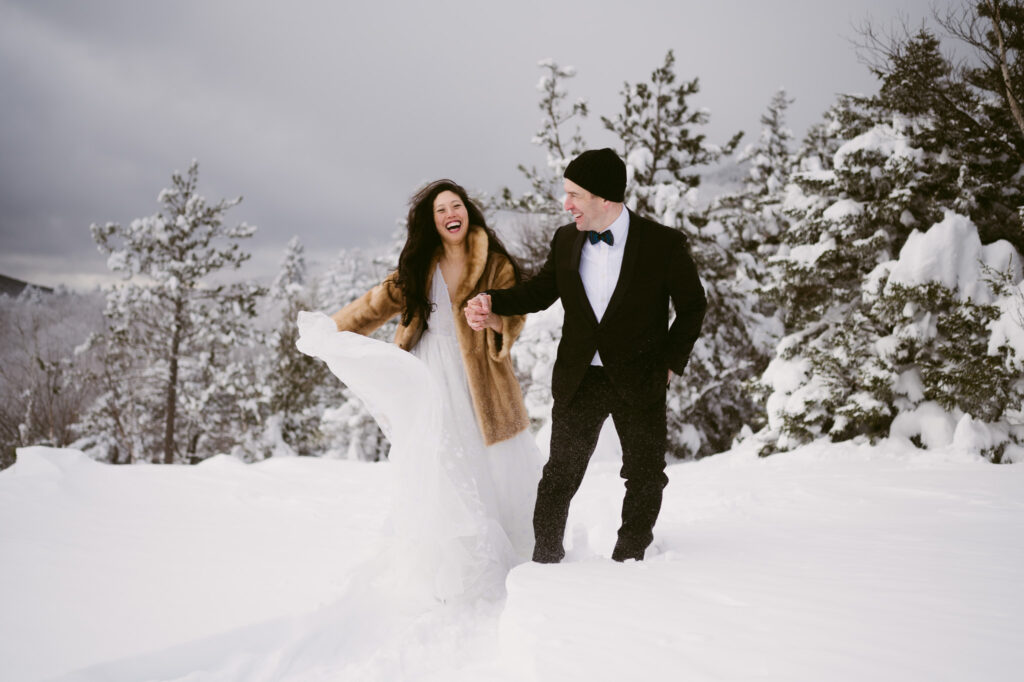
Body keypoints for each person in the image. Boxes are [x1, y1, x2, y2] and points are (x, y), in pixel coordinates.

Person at [296, 179, 539, 602]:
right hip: (427, 375)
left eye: (456, 206)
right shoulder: (418, 266)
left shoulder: (495, 264)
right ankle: (449, 559)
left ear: (468, 211)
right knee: (441, 464)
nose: (450, 214)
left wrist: (493, 321)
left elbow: (514, 317)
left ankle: (504, 558)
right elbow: (375, 305)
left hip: (480, 381)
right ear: (432, 222)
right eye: (440, 210)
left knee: (490, 464)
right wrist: (329, 331)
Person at [465, 148, 707, 563]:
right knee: (560, 475)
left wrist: (668, 364)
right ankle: (546, 558)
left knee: (645, 476)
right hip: (581, 380)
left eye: (575, 194)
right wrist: (492, 301)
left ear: (605, 197)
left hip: (640, 379)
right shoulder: (565, 239)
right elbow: (540, 292)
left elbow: (693, 307)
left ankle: (629, 559)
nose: (567, 203)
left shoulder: (662, 244)